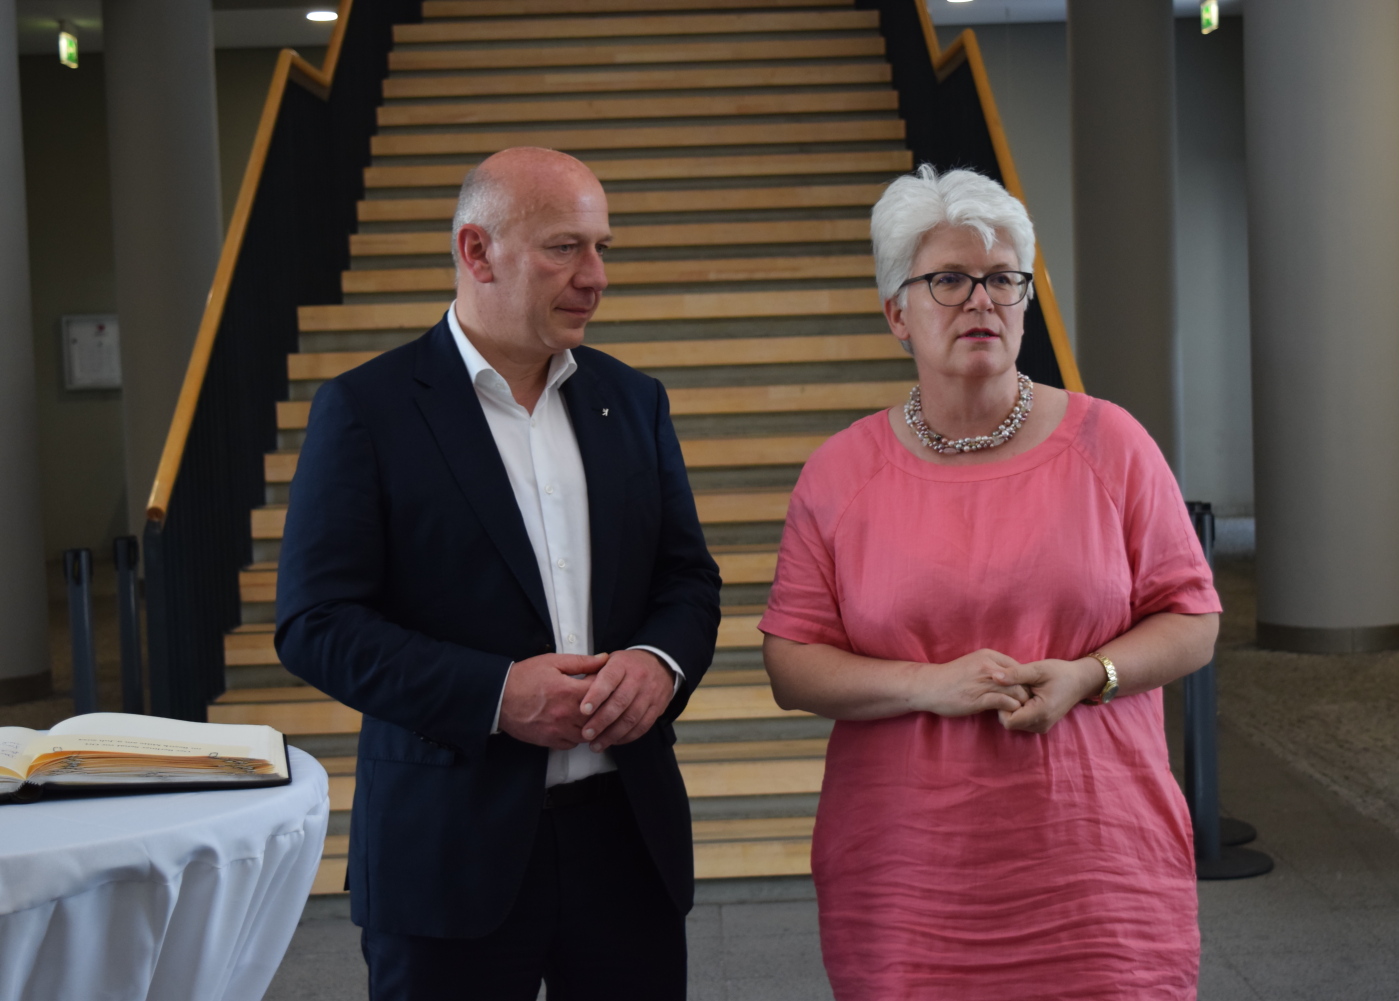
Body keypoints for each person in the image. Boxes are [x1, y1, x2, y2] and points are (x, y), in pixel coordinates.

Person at [759, 164, 1222, 999]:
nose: (982, 300)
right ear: (896, 312)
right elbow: (791, 663)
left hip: (1097, 858)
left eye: (1004, 279)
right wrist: (927, 684)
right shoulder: (840, 473)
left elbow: (1192, 618)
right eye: (949, 280)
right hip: (909, 868)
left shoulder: (1109, 443)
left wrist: (1091, 674)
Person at [276, 146, 720, 1000]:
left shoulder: (633, 400)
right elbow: (316, 622)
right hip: (447, 853)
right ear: (476, 252)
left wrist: (658, 663)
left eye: (603, 247)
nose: (594, 276)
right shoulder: (366, 410)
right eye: (565, 248)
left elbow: (687, 578)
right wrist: (496, 694)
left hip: (625, 841)